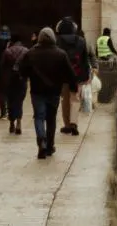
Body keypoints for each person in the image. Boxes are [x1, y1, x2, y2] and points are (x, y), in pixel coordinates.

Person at [18, 28, 77, 160]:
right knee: (51, 119)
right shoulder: (61, 54)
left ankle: (41, 141)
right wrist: (73, 86)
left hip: (37, 91)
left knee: (39, 117)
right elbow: (70, 73)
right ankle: (50, 146)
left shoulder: (31, 53)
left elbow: (22, 70)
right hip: (54, 91)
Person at [55, 17, 91, 136]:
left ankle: (67, 125)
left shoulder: (57, 41)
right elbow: (85, 60)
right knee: (75, 99)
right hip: (77, 75)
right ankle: (74, 123)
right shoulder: (81, 40)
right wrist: (86, 75)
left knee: (65, 100)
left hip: (63, 75)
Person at [0, 32, 29, 136]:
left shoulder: (7, 51)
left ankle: (11, 122)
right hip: (21, 80)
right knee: (19, 102)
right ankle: (19, 122)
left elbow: (2, 66)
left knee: (10, 101)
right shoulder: (26, 51)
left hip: (9, 80)